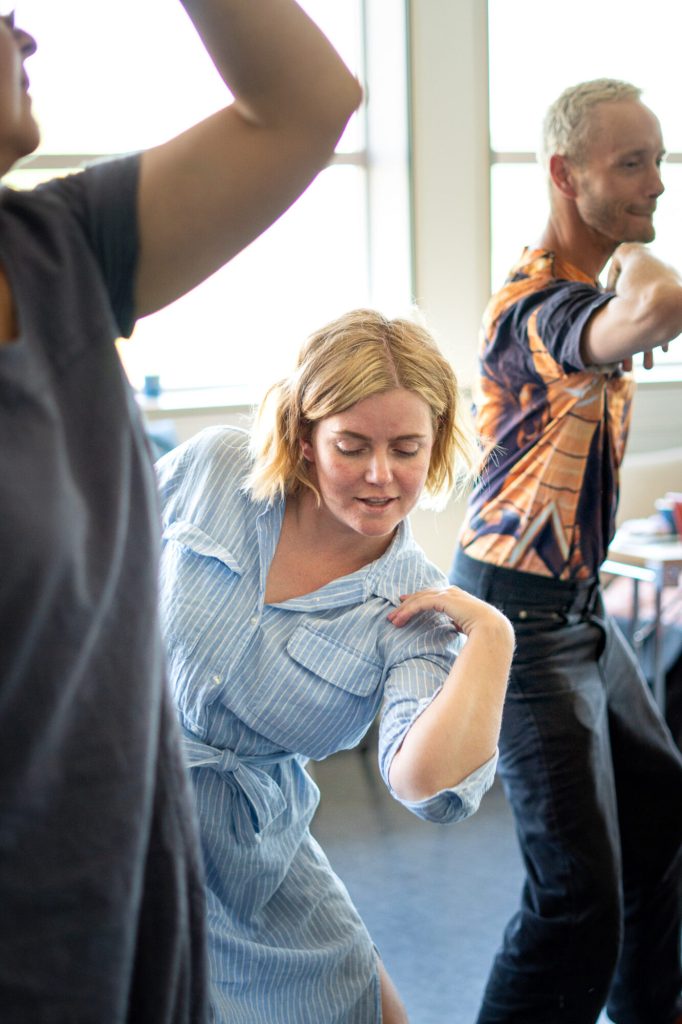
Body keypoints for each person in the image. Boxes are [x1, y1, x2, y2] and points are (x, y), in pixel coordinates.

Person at [0, 4, 361, 1021]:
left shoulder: (58, 246)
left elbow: (307, 102)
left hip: (125, 893)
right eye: (1, 18)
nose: (27, 40)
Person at [155, 308, 515, 1023]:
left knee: (359, 1000)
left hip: (251, 845)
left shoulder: (414, 605)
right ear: (304, 437)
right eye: (352, 445)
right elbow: (92, 560)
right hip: (116, 800)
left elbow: (425, 786)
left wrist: (494, 637)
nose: (381, 476)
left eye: (408, 448)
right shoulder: (215, 469)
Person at [449, 78, 682, 1024]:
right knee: (575, 898)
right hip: (515, 618)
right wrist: (635, 270)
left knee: (662, 815)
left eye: (660, 161)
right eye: (632, 164)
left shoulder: (585, 291)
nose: (657, 185)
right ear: (563, 174)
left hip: (574, 606)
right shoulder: (535, 308)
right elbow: (661, 307)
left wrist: (622, 272)